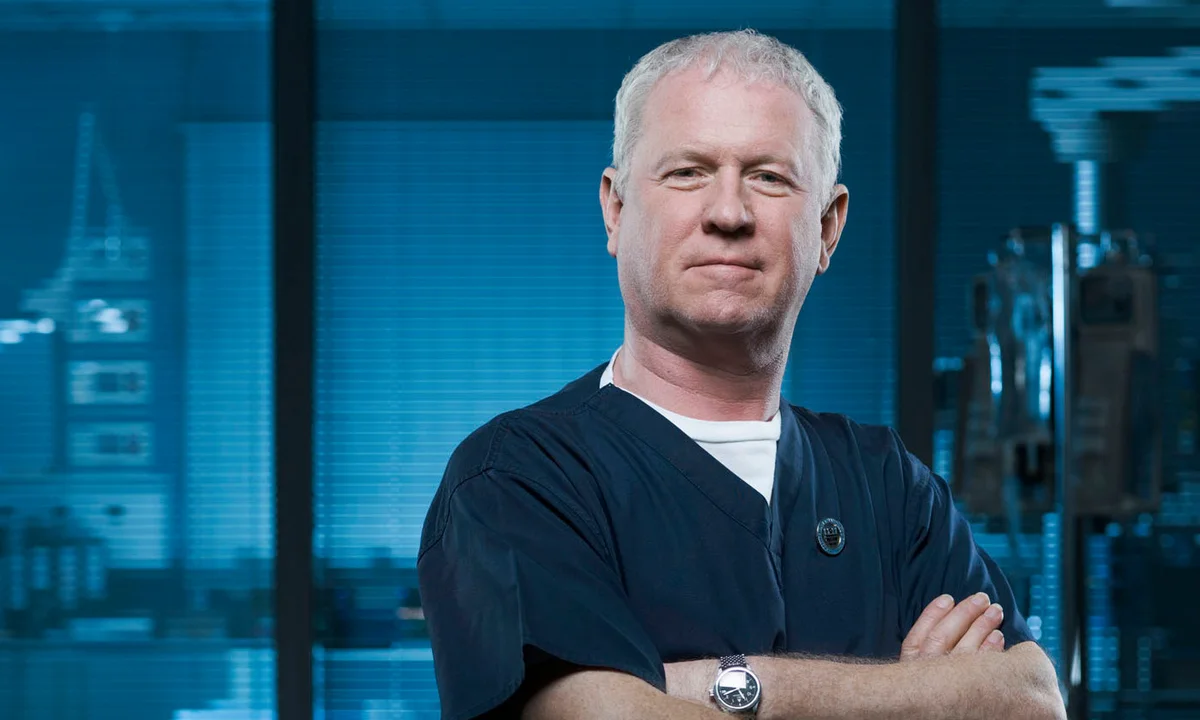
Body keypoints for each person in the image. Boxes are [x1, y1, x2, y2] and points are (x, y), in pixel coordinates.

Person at [417, 29, 1067, 720]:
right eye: (687, 172)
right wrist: (917, 697)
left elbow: (1030, 698)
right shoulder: (517, 477)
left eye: (769, 177)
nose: (728, 213)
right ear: (615, 210)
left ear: (828, 228)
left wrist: (713, 687)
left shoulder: (887, 486)